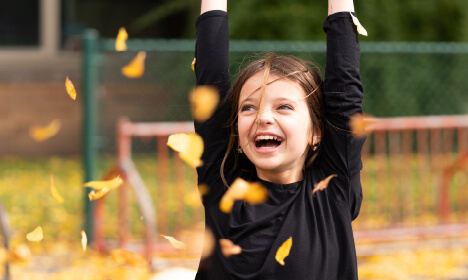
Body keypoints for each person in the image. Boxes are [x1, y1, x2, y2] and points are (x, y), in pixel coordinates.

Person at [193, 0, 366, 278]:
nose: (263, 117)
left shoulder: (333, 188)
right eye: (248, 107)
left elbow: (345, 89)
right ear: (235, 133)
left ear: (317, 132)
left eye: (283, 106)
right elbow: (210, 78)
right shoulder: (223, 184)